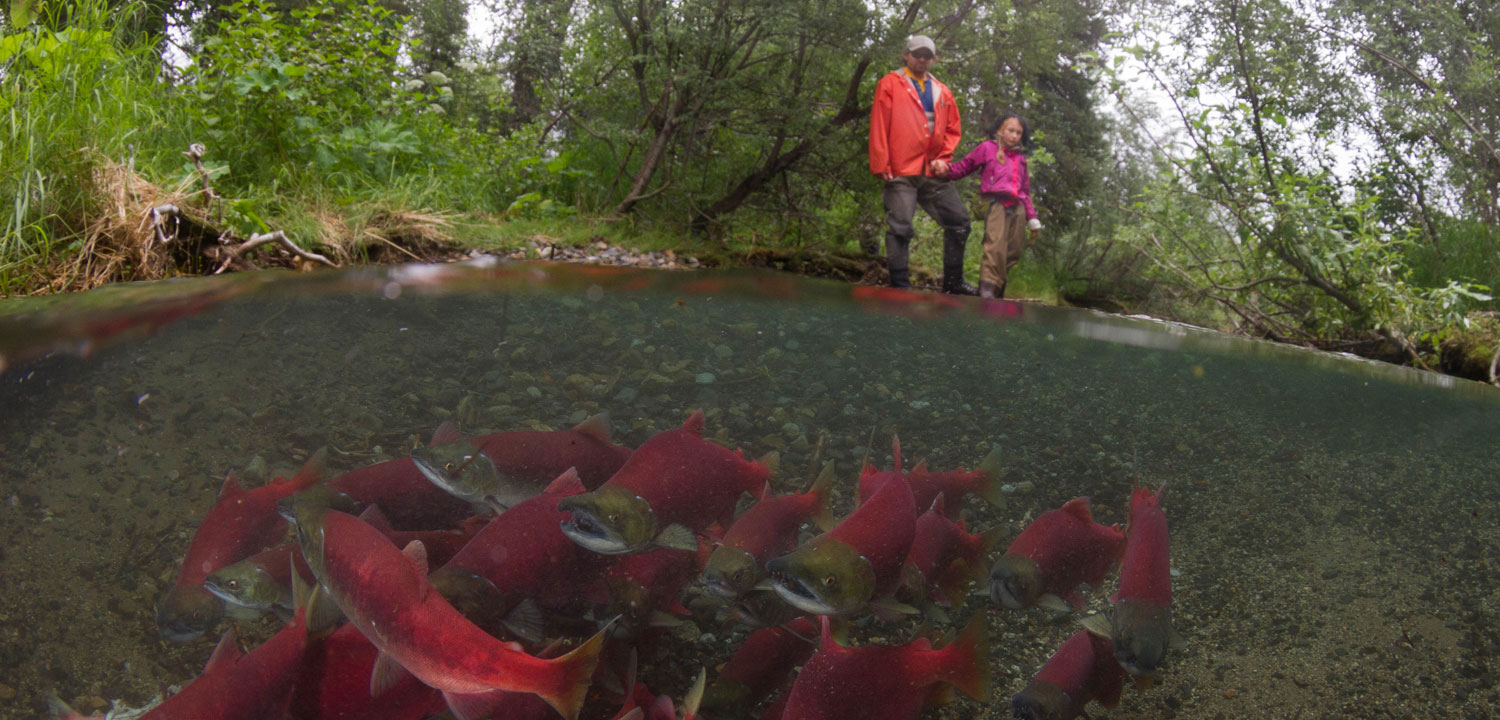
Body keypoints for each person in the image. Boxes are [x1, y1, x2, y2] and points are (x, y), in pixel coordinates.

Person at [868, 35, 976, 295]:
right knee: (901, 226)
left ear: (934, 59)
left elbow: (952, 129)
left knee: (959, 221)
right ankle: (900, 286)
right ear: (906, 55)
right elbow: (879, 124)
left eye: (927, 56)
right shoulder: (890, 83)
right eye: (917, 54)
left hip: (932, 171)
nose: (922, 60)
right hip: (900, 168)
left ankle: (953, 284)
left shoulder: (943, 90)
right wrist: (881, 162)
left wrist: (944, 158)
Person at [947, 113, 1042, 298]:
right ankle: (987, 292)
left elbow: (1025, 191)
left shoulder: (1021, 159)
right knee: (995, 248)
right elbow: (965, 166)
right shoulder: (987, 148)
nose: (1014, 136)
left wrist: (1032, 218)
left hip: (1018, 209)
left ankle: (998, 292)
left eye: (1018, 132)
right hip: (997, 204)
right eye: (1011, 130)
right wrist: (945, 171)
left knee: (1012, 251)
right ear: (1000, 130)